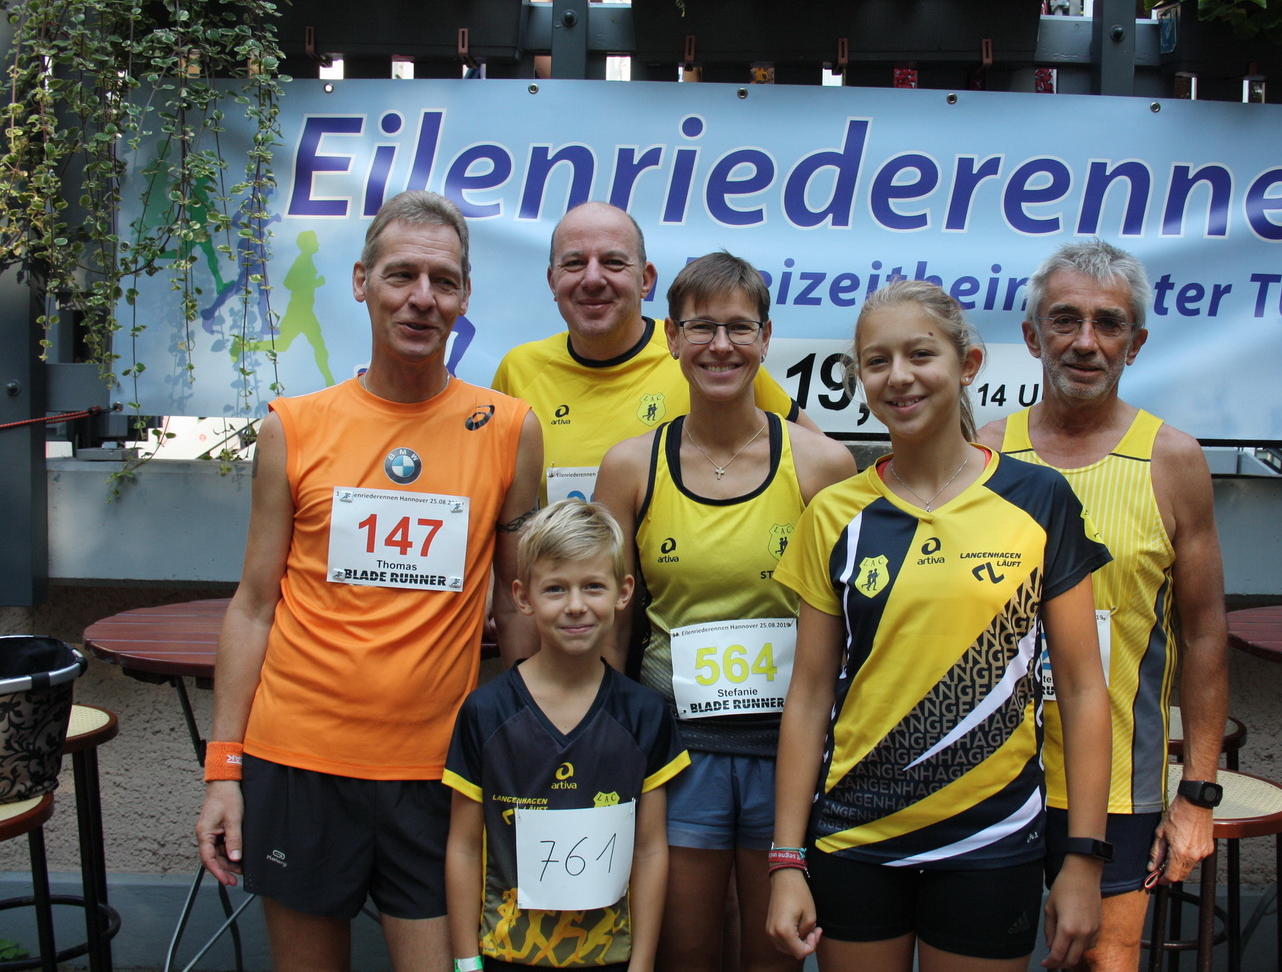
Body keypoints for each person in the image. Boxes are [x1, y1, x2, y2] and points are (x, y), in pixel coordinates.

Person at [195, 190, 544, 972]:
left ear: (464, 296)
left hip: (437, 772)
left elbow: (519, 605)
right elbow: (253, 608)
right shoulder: (293, 427)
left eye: (443, 281)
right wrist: (224, 770)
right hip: (299, 760)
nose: (423, 298)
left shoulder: (510, 429)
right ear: (361, 282)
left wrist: (528, 744)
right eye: (401, 275)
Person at [767, 280, 1113, 972]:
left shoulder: (1039, 499)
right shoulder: (835, 513)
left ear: (968, 364)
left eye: (920, 354)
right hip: (855, 836)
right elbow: (807, 697)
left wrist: (1083, 859)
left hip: (992, 840)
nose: (898, 376)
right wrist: (785, 861)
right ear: (860, 378)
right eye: (877, 361)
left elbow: (1081, 690)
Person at [594, 252, 856, 972]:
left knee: (775, 950)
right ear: (671, 339)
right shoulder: (629, 466)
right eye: (701, 327)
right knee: (685, 950)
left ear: (766, 339)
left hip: (790, 750)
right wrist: (604, 742)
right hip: (676, 751)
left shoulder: (823, 465)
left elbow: (850, 622)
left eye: (739, 328)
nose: (720, 345)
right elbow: (611, 620)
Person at [978, 240, 1229, 972]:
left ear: (1135, 343)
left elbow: (1206, 635)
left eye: (1108, 323)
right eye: (1065, 320)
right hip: (991, 774)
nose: (1085, 342)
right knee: (983, 956)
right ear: (1032, 337)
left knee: (1105, 958)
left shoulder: (1172, 460)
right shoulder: (985, 454)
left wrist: (1197, 796)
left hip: (1120, 780)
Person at [443, 499, 690, 972]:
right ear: (523, 597)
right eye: (555, 588)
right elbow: (463, 846)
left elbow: (649, 848)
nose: (576, 606)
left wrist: (642, 963)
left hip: (611, 958)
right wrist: (466, 963)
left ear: (624, 592)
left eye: (593, 586)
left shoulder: (644, 715)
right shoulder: (485, 712)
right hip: (505, 956)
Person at [492, 201, 817, 507]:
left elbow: (815, 459)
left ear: (646, 280)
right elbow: (498, 502)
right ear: (553, 280)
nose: (592, 279)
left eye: (613, 262)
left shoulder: (702, 356)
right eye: (575, 263)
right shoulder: (519, 370)